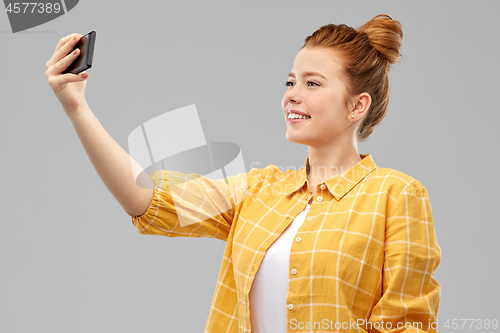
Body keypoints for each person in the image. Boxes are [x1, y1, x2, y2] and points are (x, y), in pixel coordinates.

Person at [46, 14, 441, 333]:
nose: (292, 94)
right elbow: (146, 199)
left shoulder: (396, 195)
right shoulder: (259, 189)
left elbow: (407, 326)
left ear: (357, 106)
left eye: (312, 83)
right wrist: (76, 107)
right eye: (290, 81)